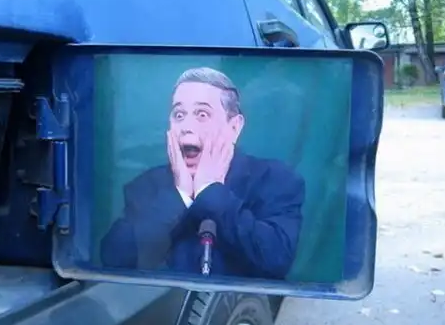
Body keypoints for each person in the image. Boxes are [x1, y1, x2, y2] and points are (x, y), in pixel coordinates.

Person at [100, 67, 305, 280]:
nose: (187, 127)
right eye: (179, 115)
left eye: (202, 114)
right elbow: (114, 259)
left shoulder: (276, 180)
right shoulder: (146, 186)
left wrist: (211, 191)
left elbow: (275, 259)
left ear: (234, 127)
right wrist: (180, 196)